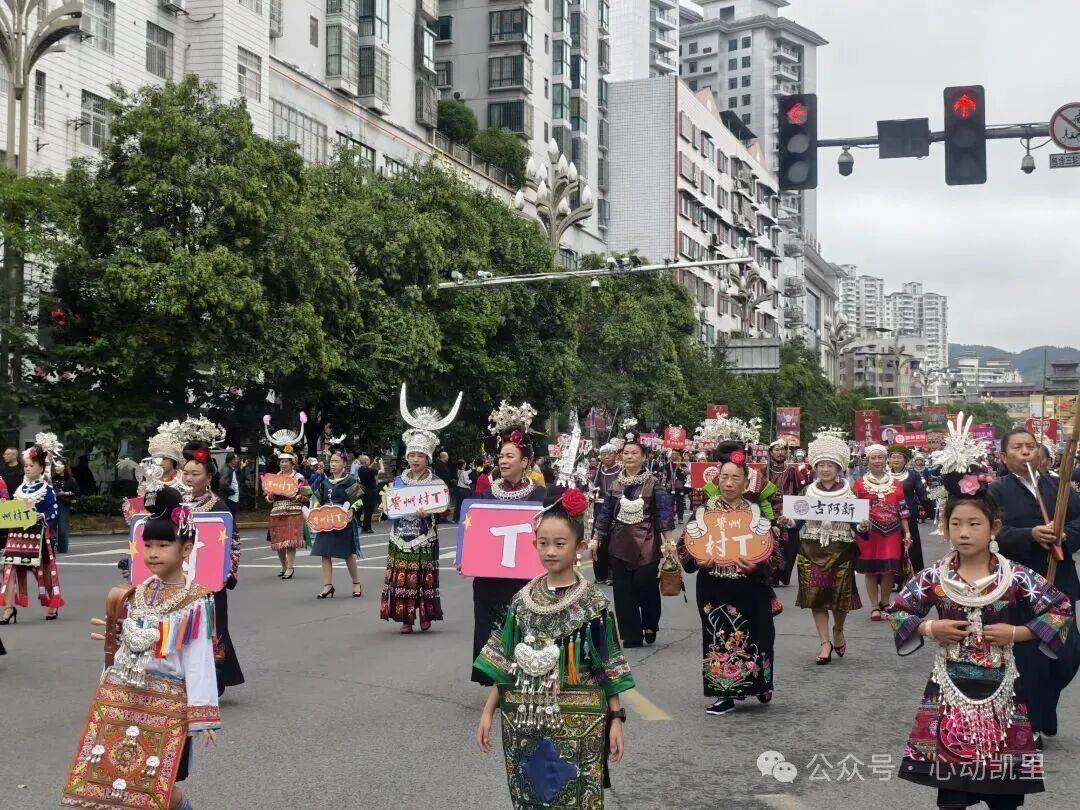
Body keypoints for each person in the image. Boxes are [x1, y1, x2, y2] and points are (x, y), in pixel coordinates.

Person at [889, 415, 1073, 809]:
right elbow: (900, 609)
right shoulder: (935, 578)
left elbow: (1059, 608)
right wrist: (930, 626)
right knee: (952, 800)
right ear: (945, 527)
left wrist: (1018, 634)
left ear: (994, 527)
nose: (965, 532)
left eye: (975, 523)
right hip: (950, 698)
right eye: (956, 523)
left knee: (1005, 800)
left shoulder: (1015, 577)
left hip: (1004, 694)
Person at [474, 486, 632, 808]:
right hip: (527, 715)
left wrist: (616, 718)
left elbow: (608, 665)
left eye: (560, 544)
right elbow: (506, 661)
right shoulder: (522, 600)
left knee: (576, 791)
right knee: (531, 790)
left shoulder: (593, 602)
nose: (550, 551)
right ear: (533, 544)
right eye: (543, 543)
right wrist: (488, 710)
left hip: (580, 715)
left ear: (580, 547)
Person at [65, 485, 219, 810]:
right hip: (128, 696)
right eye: (147, 544)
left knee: (156, 784)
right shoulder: (138, 593)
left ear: (186, 548)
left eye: (164, 545)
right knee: (119, 780)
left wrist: (202, 713)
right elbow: (123, 648)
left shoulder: (196, 601)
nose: (153, 553)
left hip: (169, 704)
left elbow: (198, 659)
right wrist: (107, 681)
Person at [987, 427, 1080, 742]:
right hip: (1020, 583)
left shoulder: (1060, 485)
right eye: (1017, 447)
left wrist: (1065, 536)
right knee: (1031, 656)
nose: (1025, 451)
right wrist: (1030, 535)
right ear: (1003, 456)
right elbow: (991, 532)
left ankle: (1045, 707)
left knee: (1067, 654)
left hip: (1061, 579)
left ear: (1040, 453)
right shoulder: (996, 491)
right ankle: (1033, 722)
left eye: (1030, 446)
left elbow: (1079, 520)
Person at [678, 441, 782, 715]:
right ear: (716, 479)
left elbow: (774, 554)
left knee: (760, 634)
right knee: (719, 636)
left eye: (736, 477)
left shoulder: (756, 512)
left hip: (751, 585)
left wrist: (757, 566)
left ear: (746, 481)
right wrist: (697, 560)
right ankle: (725, 693)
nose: (729, 482)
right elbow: (684, 547)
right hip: (714, 585)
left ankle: (760, 683)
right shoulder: (703, 512)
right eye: (724, 476)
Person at [471, 401, 547, 684]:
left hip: (527, 579)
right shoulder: (485, 494)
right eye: (501, 456)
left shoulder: (540, 496)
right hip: (490, 579)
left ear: (525, 461)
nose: (503, 461)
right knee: (491, 626)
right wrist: (465, 559)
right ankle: (495, 675)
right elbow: (474, 532)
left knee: (526, 626)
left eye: (510, 456)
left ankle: (526, 674)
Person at [380, 385, 460, 633]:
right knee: (401, 577)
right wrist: (386, 504)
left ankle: (424, 614)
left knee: (423, 579)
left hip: (424, 537)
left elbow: (445, 509)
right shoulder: (398, 481)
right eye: (412, 454)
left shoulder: (436, 483)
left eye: (420, 456)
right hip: (400, 537)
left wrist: (433, 513)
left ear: (428, 459)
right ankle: (405, 618)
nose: (415, 459)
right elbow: (389, 507)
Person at [781, 430, 861, 665]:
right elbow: (799, 521)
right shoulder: (807, 491)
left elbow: (857, 523)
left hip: (841, 549)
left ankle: (838, 629)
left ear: (838, 468)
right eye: (821, 465)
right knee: (816, 598)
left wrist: (864, 526)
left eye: (830, 465)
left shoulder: (849, 492)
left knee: (839, 598)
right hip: (811, 550)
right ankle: (824, 642)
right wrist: (790, 521)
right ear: (815, 467)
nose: (825, 469)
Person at [593, 429, 675, 648]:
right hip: (618, 543)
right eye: (626, 453)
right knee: (622, 590)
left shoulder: (654, 483)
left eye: (634, 453)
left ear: (644, 457)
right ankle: (631, 633)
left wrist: (668, 540)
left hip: (647, 542)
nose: (629, 456)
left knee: (644, 585)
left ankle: (649, 623)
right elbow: (605, 514)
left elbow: (664, 513)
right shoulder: (615, 485)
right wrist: (596, 538)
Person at [182, 440, 245, 695]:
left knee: (213, 628)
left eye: (195, 474)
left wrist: (227, 573)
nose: (188, 478)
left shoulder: (218, 507)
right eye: (186, 472)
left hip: (208, 581)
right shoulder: (175, 504)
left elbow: (233, 542)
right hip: (180, 577)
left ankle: (215, 677)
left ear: (208, 477)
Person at [1, 444, 63, 622]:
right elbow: (14, 511)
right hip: (16, 535)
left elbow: (54, 513)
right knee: (9, 569)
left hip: (38, 536)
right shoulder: (20, 489)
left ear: (41, 468)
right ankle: (8, 608)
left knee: (42, 571)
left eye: (31, 466)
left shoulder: (46, 489)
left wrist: (39, 515)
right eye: (26, 466)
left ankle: (52, 604)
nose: (27, 469)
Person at [853, 444, 912, 621]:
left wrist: (907, 533)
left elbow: (903, 510)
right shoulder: (859, 484)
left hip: (892, 532)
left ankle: (885, 602)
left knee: (888, 570)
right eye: (873, 457)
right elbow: (854, 510)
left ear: (885, 460)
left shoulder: (895, 484)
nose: (877, 461)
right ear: (868, 460)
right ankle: (873, 606)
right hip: (869, 533)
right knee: (871, 571)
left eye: (880, 457)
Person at [310, 447, 364, 599]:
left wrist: (352, 509)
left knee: (347, 553)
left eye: (336, 461)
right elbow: (317, 501)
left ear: (344, 463)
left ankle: (356, 583)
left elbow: (359, 500)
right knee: (324, 553)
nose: (332, 464)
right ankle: (327, 585)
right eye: (331, 461)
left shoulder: (350, 480)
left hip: (343, 520)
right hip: (326, 520)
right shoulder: (325, 482)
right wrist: (312, 511)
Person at [265, 453, 308, 580]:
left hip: (293, 511)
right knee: (279, 542)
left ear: (292, 463)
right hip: (277, 511)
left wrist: (296, 496)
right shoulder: (275, 477)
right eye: (281, 461)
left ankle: (290, 567)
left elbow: (307, 495)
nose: (283, 464)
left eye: (286, 461)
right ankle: (283, 566)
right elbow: (268, 497)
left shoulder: (298, 477)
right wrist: (270, 496)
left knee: (290, 541)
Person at [889, 444, 930, 575]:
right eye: (892, 457)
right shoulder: (883, 476)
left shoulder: (913, 475)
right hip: (888, 517)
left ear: (906, 460)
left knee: (912, 546)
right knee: (891, 547)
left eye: (899, 457)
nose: (895, 459)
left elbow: (922, 495)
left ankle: (915, 575)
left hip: (909, 516)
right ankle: (893, 577)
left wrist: (931, 510)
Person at [765, 439, 800, 587]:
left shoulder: (792, 471)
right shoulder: (763, 471)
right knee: (771, 546)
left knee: (791, 546)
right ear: (771, 452)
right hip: (770, 512)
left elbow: (799, 493)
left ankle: (784, 574)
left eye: (783, 450)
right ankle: (772, 576)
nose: (780, 453)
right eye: (777, 450)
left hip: (789, 513)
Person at [588, 441, 624, 585]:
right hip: (598, 508)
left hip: (615, 508)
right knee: (597, 540)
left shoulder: (621, 470)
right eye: (603, 454)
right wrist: (590, 494)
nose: (606, 456)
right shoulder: (598, 470)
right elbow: (591, 487)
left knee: (612, 541)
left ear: (615, 455)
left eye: (609, 453)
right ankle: (600, 574)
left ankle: (612, 574)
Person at [51, 459, 78, 555]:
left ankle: (62, 547)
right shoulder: (53, 478)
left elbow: (76, 492)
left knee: (62, 526)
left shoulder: (70, 480)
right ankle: (50, 546)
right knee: (51, 525)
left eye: (59, 465)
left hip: (63, 503)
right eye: (55, 466)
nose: (56, 468)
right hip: (52, 503)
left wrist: (64, 493)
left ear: (64, 467)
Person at [356, 454, 380, 534]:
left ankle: (365, 527)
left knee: (365, 509)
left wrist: (373, 462)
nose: (370, 461)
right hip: (370, 492)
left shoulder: (360, 469)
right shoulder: (370, 471)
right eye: (369, 460)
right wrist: (381, 463)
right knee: (369, 511)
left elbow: (368, 468)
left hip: (363, 492)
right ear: (366, 462)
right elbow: (382, 471)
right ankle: (366, 528)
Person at [219, 452, 243, 518]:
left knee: (232, 517)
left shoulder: (230, 468)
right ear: (231, 460)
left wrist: (241, 468)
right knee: (230, 518)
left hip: (232, 498)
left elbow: (234, 477)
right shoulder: (226, 469)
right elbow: (223, 483)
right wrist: (231, 491)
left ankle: (233, 528)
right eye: (235, 459)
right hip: (229, 499)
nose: (237, 460)